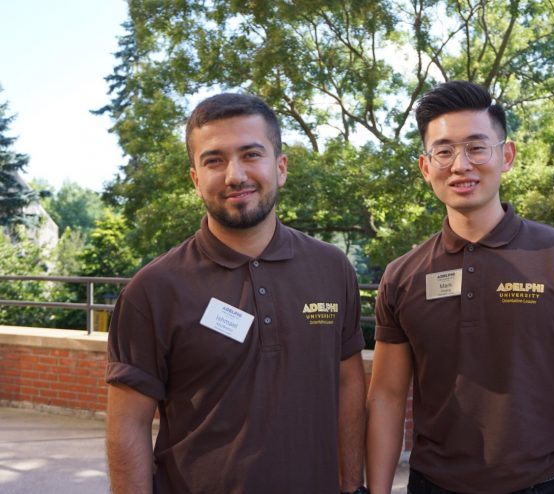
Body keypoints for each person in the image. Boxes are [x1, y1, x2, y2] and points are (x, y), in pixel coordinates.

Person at [366, 81, 554, 494]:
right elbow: (385, 397)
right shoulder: (402, 276)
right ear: (425, 166)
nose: (460, 164)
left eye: (476, 147)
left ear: (506, 156)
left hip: (547, 484)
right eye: (444, 151)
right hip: (433, 484)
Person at [105, 93, 368, 493]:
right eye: (214, 160)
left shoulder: (332, 269)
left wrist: (353, 487)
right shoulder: (152, 291)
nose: (235, 175)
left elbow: (349, 386)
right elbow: (128, 427)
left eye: (251, 154)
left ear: (280, 167)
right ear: (195, 178)